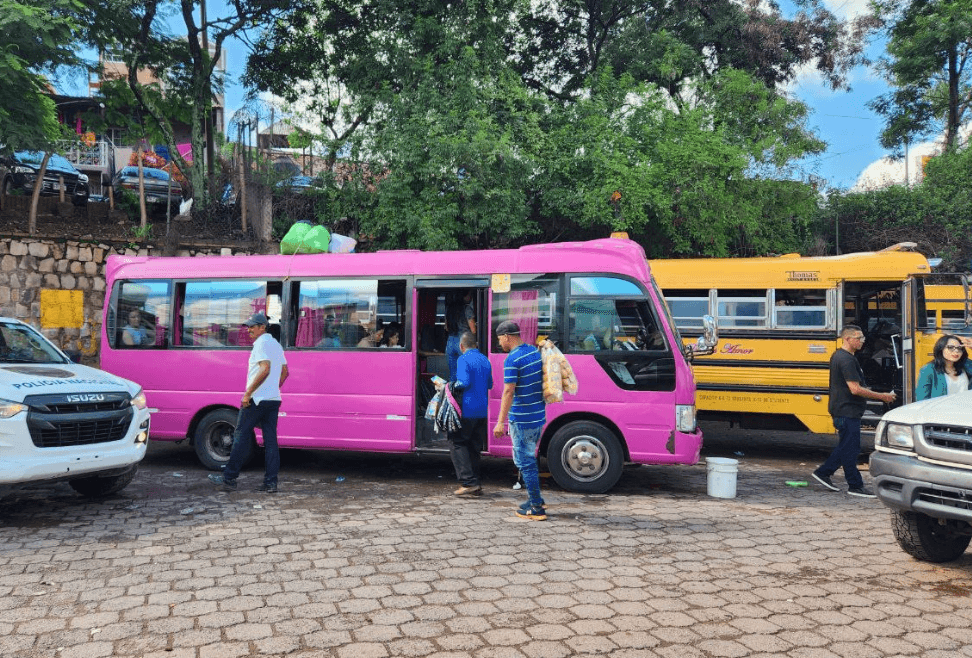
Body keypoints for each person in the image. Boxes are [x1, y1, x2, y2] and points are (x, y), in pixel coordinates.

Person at [209, 312, 289, 493]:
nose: (249, 329)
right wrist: (273, 388)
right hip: (273, 400)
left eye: (253, 326)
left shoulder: (260, 344)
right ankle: (271, 483)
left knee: (240, 437)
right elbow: (285, 372)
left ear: (262, 327)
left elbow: (265, 368)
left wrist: (248, 393)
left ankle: (229, 479)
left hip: (256, 400)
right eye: (249, 326)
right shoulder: (275, 344)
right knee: (270, 441)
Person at [812, 324, 895, 498]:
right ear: (848, 339)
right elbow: (855, 389)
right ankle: (850, 483)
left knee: (848, 447)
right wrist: (883, 396)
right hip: (846, 410)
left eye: (863, 338)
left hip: (845, 409)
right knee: (849, 448)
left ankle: (832, 476)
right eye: (859, 338)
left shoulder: (842, 356)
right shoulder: (846, 360)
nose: (863, 341)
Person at [493, 320, 547, 520]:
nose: (500, 343)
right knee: (528, 459)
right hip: (538, 417)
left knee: (525, 462)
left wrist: (500, 422)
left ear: (507, 336)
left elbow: (508, 392)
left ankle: (536, 507)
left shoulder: (512, 359)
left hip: (522, 419)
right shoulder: (534, 352)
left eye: (500, 339)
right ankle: (537, 499)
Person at [441, 332, 493, 495]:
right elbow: (490, 384)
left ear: (461, 346)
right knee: (474, 446)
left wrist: (449, 386)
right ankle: (475, 482)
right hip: (482, 410)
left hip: (466, 409)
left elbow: (463, 382)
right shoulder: (485, 359)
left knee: (457, 442)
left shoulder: (463, 359)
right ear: (475, 345)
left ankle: (468, 482)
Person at [916, 334, 972, 400]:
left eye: (959, 348)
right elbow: (921, 400)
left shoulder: (966, 365)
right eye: (950, 347)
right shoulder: (928, 370)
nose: (956, 351)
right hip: (941, 410)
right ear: (941, 349)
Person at [445, 291, 476, 379]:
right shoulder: (467, 309)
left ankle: (454, 391)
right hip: (463, 341)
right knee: (465, 371)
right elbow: (473, 330)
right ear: (464, 297)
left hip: (450, 341)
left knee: (453, 372)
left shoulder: (449, 309)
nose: (471, 297)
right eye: (469, 295)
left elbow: (446, 328)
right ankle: (464, 392)